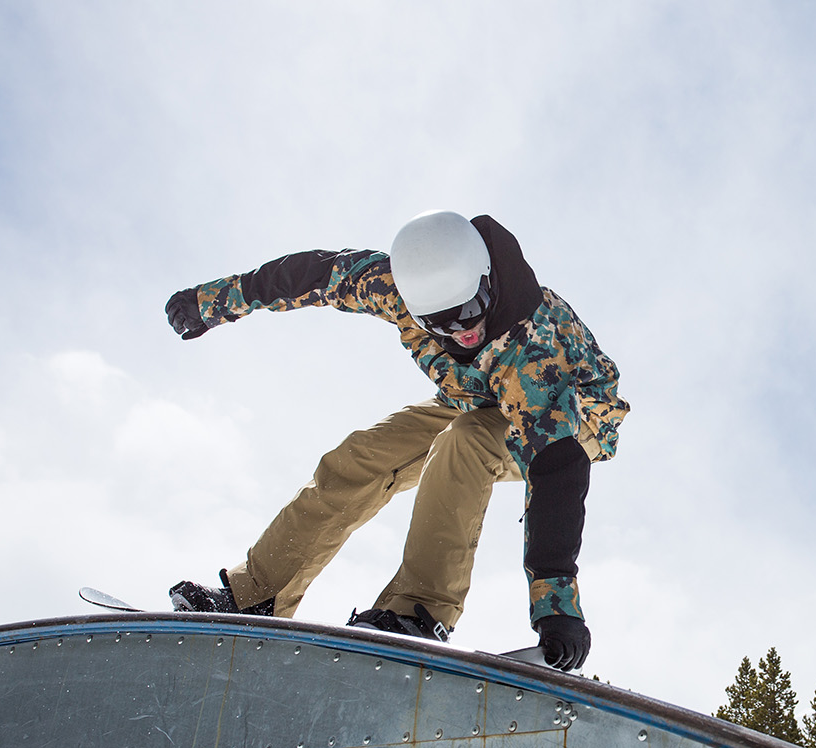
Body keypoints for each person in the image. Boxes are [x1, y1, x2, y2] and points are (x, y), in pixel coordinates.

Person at [163, 210, 627, 671]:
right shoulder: (386, 285)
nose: (462, 331)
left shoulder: (532, 348)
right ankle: (255, 597)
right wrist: (212, 302)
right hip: (474, 396)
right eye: (440, 325)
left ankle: (419, 613)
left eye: (468, 312)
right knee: (362, 455)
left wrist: (556, 606)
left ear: (486, 281)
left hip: (573, 415)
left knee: (464, 444)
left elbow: (557, 471)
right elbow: (308, 276)